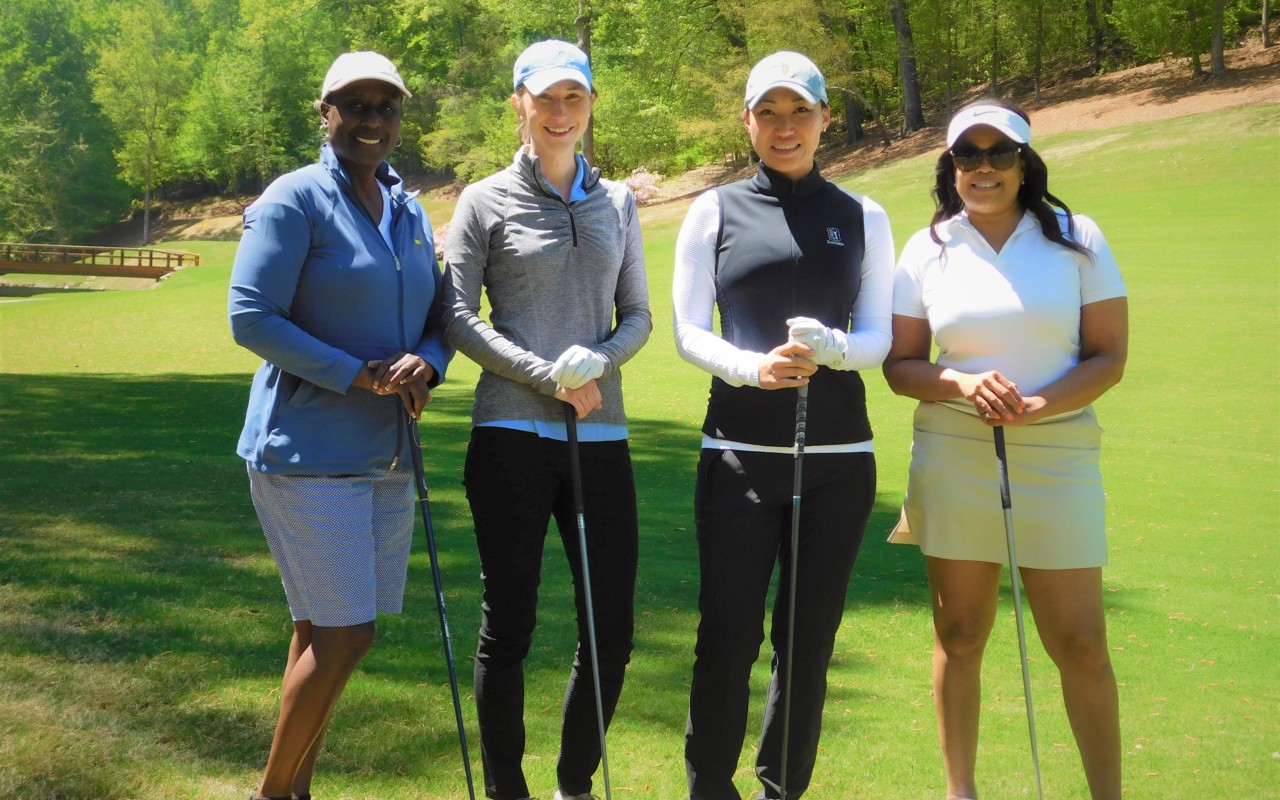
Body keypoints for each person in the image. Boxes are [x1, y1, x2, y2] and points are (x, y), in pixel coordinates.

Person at [882, 100, 1128, 800]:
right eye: (969, 154)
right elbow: (902, 368)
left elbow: (1109, 356)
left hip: (1058, 454)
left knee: (1079, 642)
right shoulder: (926, 247)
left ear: (1025, 162)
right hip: (954, 451)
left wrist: (1039, 404)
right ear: (950, 165)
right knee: (959, 632)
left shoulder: (1077, 237)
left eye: (1000, 153)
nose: (983, 167)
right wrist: (959, 381)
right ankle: (962, 793)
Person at [672, 51, 895, 799]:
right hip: (740, 453)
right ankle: (711, 787)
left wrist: (835, 350)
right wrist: (751, 368)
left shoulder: (863, 215)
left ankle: (781, 789)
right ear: (748, 122)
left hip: (839, 461)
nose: (785, 127)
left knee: (806, 645)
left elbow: (878, 337)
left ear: (826, 119)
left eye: (800, 111)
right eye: (768, 112)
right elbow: (687, 331)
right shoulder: (715, 208)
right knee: (726, 636)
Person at [228, 51, 449, 800]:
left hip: (388, 455)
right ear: (323, 113)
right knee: (348, 634)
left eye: (385, 107)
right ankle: (272, 793)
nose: (371, 120)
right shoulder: (294, 199)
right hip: (306, 450)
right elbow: (250, 316)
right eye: (354, 105)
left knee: (325, 631)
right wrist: (353, 372)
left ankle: (297, 789)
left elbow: (439, 317)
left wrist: (427, 361)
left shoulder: (410, 209)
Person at [441, 39, 651, 800]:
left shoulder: (619, 202)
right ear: (519, 105)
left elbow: (638, 317)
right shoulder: (484, 200)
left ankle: (573, 784)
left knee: (612, 630)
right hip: (508, 436)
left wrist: (595, 363)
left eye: (575, 98)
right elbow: (457, 316)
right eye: (546, 98)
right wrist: (545, 374)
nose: (561, 114)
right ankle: (507, 789)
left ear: (591, 104)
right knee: (512, 625)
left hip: (601, 433)